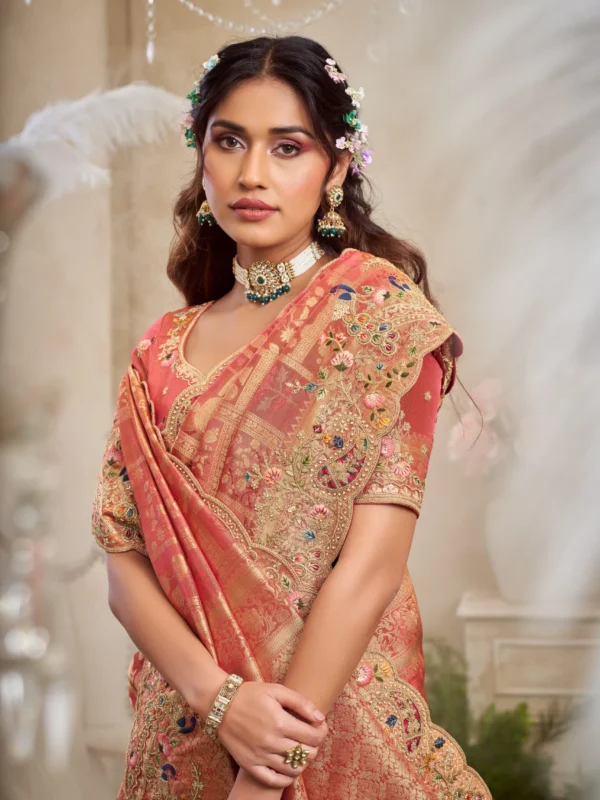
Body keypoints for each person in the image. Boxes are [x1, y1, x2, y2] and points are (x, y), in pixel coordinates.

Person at [92, 35, 491, 800]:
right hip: (182, 733)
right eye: (229, 141)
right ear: (200, 156)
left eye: (288, 147)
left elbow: (368, 571)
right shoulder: (160, 352)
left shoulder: (383, 320)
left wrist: (268, 771)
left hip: (329, 729)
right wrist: (220, 702)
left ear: (336, 168)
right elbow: (123, 563)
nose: (251, 174)